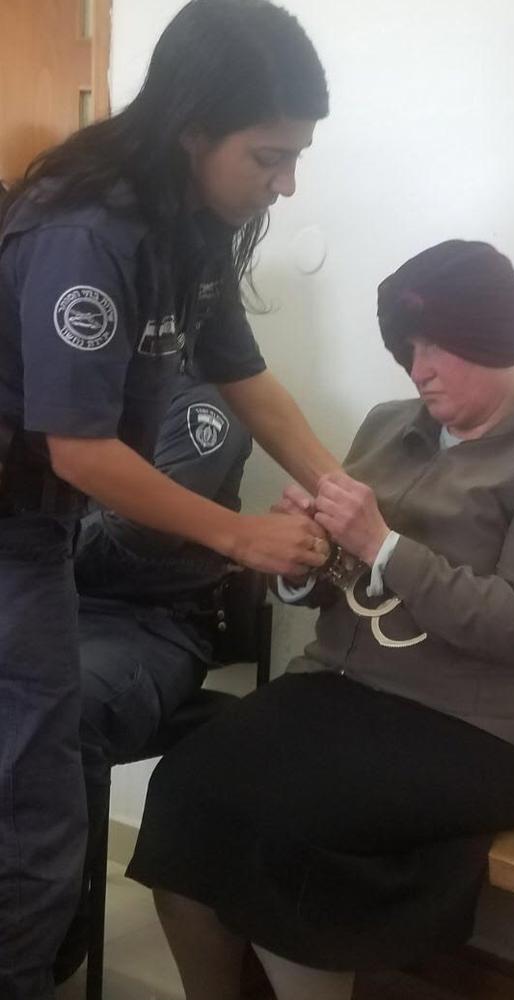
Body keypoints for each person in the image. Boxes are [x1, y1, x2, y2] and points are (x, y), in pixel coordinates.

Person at [127, 241, 514, 1000]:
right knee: (185, 785)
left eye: (438, 344)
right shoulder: (390, 425)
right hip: (350, 689)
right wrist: (305, 565)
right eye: (407, 346)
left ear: (494, 338)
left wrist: (380, 543)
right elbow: (343, 582)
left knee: (291, 826)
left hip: (497, 729)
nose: (418, 366)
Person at [0, 2, 339, 996]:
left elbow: (246, 377)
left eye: (296, 156)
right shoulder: (85, 231)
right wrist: (241, 536)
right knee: (36, 803)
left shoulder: (191, 222)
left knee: (31, 786)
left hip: (36, 527)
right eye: (268, 156)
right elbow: (80, 452)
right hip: (20, 518)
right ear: (195, 127)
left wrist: (337, 484)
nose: (286, 183)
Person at [53, 371, 253, 984]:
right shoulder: (73, 390)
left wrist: (29, 539)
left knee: (61, 710)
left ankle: (53, 940)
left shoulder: (202, 403)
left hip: (147, 624)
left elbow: (135, 532)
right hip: (49, 600)